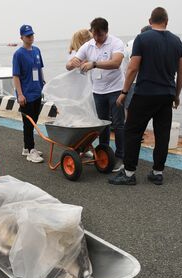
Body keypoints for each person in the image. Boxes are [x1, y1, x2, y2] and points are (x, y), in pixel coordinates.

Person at [110, 7, 182, 186]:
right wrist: (176, 95)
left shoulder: (142, 39)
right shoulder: (177, 42)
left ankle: (128, 174)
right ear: (166, 22)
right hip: (166, 95)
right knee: (162, 134)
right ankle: (157, 172)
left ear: (150, 21)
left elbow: (133, 68)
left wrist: (124, 92)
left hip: (145, 94)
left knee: (132, 132)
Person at [66, 17, 126, 172]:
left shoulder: (116, 43)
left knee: (118, 124)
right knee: (102, 124)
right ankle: (103, 153)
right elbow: (70, 63)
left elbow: (116, 63)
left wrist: (94, 64)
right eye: (95, 35)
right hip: (98, 91)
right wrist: (71, 64)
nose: (97, 38)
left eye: (100, 35)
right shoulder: (88, 45)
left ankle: (120, 156)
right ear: (91, 31)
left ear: (106, 32)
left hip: (115, 89)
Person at [13, 24, 45, 163]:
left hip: (37, 92)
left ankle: (27, 147)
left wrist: (43, 84)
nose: (30, 37)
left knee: (34, 121)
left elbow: (40, 69)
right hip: (26, 94)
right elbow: (16, 76)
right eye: (27, 35)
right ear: (21, 37)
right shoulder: (18, 54)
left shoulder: (37, 50)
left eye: (31, 35)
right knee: (28, 123)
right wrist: (20, 94)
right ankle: (31, 151)